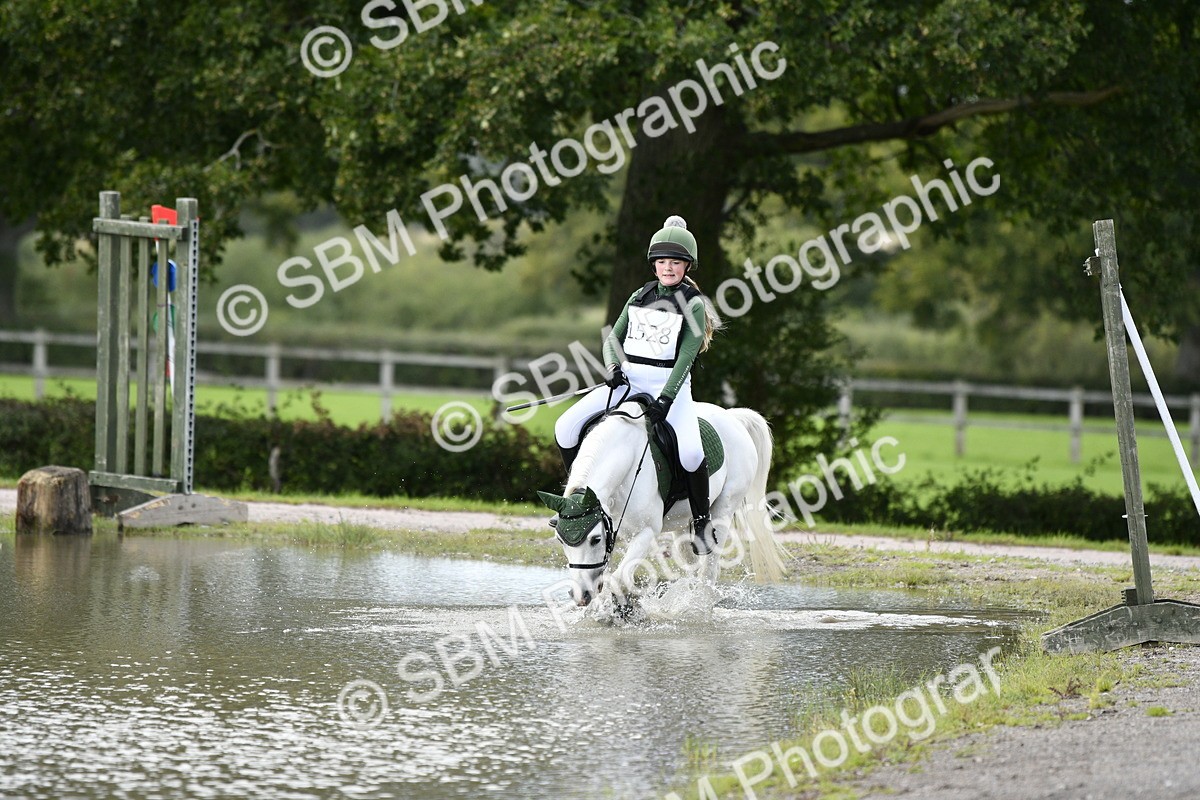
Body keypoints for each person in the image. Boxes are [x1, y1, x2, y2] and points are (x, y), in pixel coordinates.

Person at [553, 215, 722, 554]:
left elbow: (687, 356)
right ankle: (583, 500)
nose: (668, 268)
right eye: (662, 262)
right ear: (654, 265)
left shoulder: (693, 304)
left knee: (690, 452)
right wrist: (612, 366)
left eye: (675, 263)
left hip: (668, 385)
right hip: (629, 381)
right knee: (565, 426)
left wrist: (666, 399)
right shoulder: (640, 295)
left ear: (687, 266)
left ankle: (701, 521)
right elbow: (612, 339)